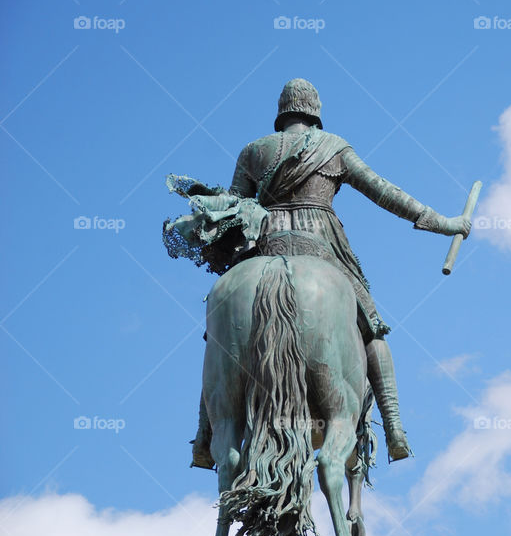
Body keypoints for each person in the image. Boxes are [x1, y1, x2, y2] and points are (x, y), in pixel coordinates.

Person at [186, 78, 470, 468]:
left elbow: (233, 208)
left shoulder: (253, 151)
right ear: (315, 112)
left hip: (263, 243)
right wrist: (442, 222)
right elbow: (383, 191)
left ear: (282, 112)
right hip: (321, 244)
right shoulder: (333, 146)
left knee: (218, 331)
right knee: (371, 325)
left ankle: (205, 435)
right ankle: (394, 428)